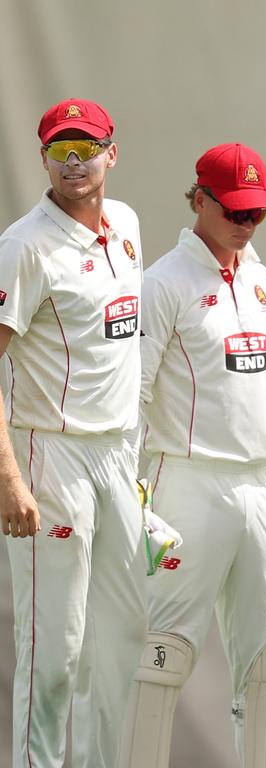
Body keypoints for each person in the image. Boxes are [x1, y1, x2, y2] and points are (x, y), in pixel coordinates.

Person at [119, 143, 266, 768]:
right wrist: (129, 493)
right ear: (199, 200)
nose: (246, 224)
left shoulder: (263, 279)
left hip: (261, 484)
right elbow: (131, 394)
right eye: (235, 211)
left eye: (257, 214)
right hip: (185, 483)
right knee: (163, 654)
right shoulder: (164, 282)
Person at [0, 97, 147, 768]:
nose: (75, 161)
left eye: (87, 147)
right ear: (45, 160)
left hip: (118, 455)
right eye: (62, 149)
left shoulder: (127, 224)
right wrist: (10, 480)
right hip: (49, 454)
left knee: (120, 639)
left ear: (112, 153)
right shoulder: (23, 246)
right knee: (52, 648)